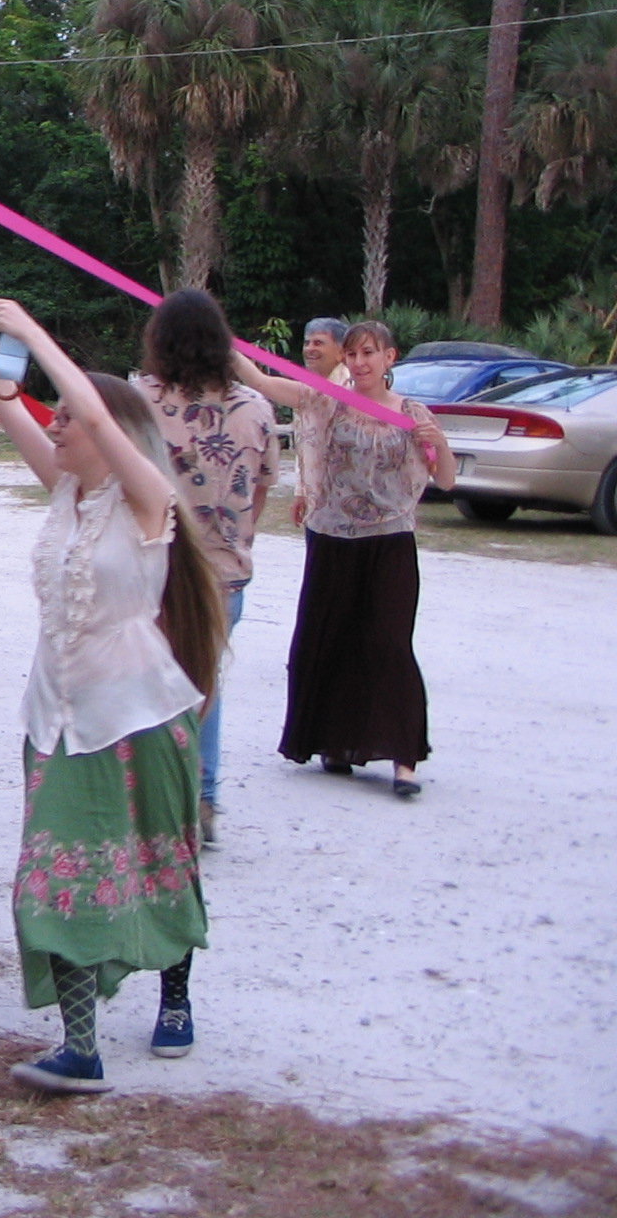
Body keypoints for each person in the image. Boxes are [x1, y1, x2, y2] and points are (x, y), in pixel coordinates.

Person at [0, 263, 225, 1095]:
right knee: (55, 875)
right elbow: (2, 401)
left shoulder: (146, 500)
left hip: (137, 713)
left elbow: (95, 407)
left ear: (107, 432)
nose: (55, 425)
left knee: (154, 861)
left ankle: (176, 996)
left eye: (65, 418)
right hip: (56, 715)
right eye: (55, 417)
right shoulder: (63, 490)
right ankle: (80, 1047)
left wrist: (33, 333)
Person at [234, 320, 451, 797]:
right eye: (352, 355)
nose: (359, 363)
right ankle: (332, 744)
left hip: (390, 540)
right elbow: (264, 383)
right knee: (327, 638)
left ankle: (404, 757)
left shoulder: (411, 412)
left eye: (369, 353)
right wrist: (221, 340)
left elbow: (448, 480)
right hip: (331, 537)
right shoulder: (326, 397)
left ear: (390, 358)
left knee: (390, 644)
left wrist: (439, 442)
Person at [132, 291, 277, 847]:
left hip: (154, 567)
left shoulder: (141, 401)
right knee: (203, 684)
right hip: (224, 570)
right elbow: (261, 487)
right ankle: (203, 797)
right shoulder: (256, 409)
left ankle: (151, 796)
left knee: (146, 682)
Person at [293, 318, 351, 526]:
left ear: (341, 352)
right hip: (316, 501)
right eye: (307, 343)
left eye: (318, 343)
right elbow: (304, 444)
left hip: (347, 501)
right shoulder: (306, 388)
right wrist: (301, 492)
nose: (310, 349)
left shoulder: (351, 389)